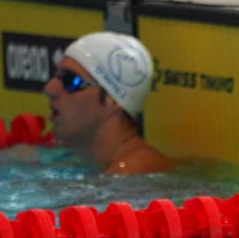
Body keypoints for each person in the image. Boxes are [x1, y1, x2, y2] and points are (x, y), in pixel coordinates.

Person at [44, 32, 172, 175]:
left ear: (113, 100)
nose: (50, 89)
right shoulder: (84, 162)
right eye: (56, 76)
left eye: (71, 81)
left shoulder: (131, 173)